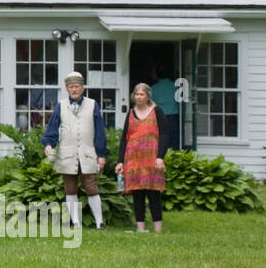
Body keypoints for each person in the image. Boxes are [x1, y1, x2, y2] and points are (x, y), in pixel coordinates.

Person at [42, 72, 108, 229]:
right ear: (66, 88)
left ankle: (100, 222)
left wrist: (101, 154)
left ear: (83, 87)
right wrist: (48, 144)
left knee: (91, 186)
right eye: (71, 87)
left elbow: (100, 131)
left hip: (87, 153)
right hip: (67, 153)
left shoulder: (93, 105)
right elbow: (52, 127)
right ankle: (76, 222)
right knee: (69, 188)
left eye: (77, 86)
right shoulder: (61, 105)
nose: (74, 89)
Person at [115, 83, 168, 232]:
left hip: (152, 159)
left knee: (153, 193)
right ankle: (141, 228)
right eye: (136, 94)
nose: (138, 97)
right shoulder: (131, 113)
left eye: (141, 94)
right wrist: (120, 161)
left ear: (148, 96)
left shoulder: (157, 111)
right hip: (133, 160)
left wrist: (160, 157)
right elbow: (125, 138)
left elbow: (164, 135)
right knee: (137, 194)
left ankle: (158, 229)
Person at [149, 65, 181, 151]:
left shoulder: (153, 89)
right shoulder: (176, 87)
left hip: (159, 118)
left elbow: (150, 106)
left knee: (160, 142)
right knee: (174, 143)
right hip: (174, 118)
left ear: (156, 75)